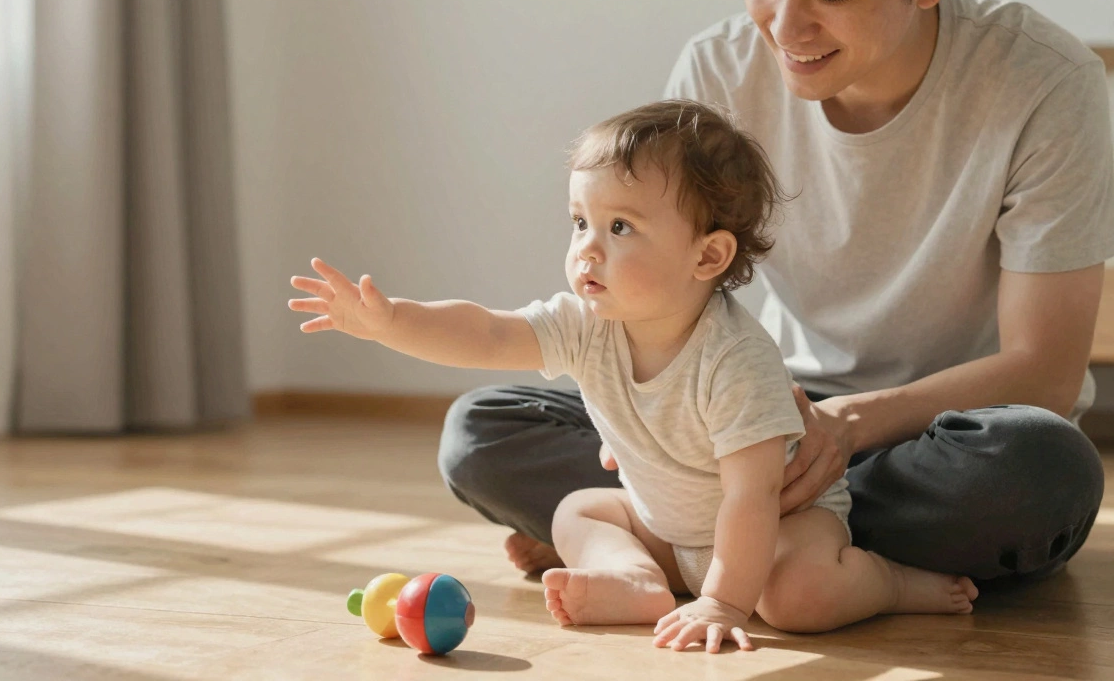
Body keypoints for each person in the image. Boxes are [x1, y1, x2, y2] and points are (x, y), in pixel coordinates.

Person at [438, 0, 1112, 588]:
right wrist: (642, 418)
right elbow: (668, 292)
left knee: (1044, 470)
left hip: (946, 431)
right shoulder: (719, 67)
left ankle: (681, 548)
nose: (786, 28)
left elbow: (1044, 370)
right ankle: (785, 557)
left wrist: (845, 425)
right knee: (481, 432)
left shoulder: (1044, 81)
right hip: (764, 413)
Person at [289, 100, 979, 651]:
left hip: (774, 530)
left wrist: (723, 601)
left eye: (620, 228)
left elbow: (749, 498)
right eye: (579, 221)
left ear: (707, 257)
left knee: (795, 600)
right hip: (662, 522)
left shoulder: (735, 360)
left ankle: (887, 582)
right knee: (579, 510)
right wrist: (391, 321)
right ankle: (635, 579)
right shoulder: (589, 321)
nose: (588, 247)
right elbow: (489, 331)